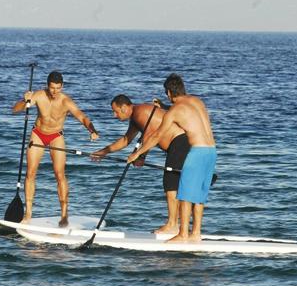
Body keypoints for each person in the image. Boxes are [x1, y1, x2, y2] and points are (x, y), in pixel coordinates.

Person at [128, 73, 216, 242]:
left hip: (196, 152)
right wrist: (164, 107)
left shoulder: (174, 111)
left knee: (185, 195)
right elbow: (188, 116)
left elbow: (155, 136)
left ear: (169, 93)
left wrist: (137, 154)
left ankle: (183, 234)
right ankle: (196, 234)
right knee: (198, 195)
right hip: (211, 151)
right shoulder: (197, 101)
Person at [92, 94, 191, 234]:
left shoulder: (141, 112)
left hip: (179, 142)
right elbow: (126, 140)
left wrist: (141, 155)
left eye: (115, 111)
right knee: (175, 184)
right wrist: (103, 152)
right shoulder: (135, 117)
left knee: (170, 184)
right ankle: (182, 227)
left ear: (125, 108)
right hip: (177, 146)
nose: (114, 115)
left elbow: (150, 135)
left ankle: (172, 224)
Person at [13, 71, 99, 227]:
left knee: (60, 174)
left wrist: (92, 130)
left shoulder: (66, 101)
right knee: (31, 172)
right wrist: (23, 100)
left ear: (62, 86)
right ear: (48, 86)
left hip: (56, 136)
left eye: (58, 88)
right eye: (52, 88)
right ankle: (28, 213)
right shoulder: (38, 95)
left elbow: (82, 116)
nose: (55, 91)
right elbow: (15, 109)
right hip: (38, 134)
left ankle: (64, 215)